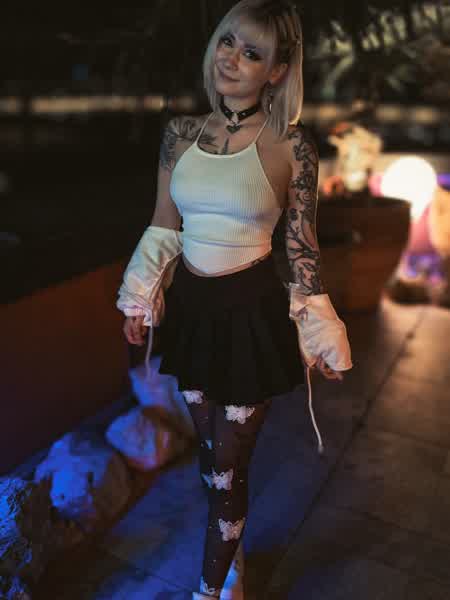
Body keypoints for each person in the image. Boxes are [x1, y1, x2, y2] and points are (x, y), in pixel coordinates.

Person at [117, 1, 352, 597]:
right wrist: (139, 298)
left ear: (277, 70)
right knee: (210, 464)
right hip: (194, 315)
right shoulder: (180, 134)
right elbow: (164, 225)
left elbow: (301, 247)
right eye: (228, 42)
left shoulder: (292, 146)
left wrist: (322, 335)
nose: (231, 59)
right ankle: (233, 560)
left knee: (226, 472)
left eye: (252, 52)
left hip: (251, 318)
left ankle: (210, 589)